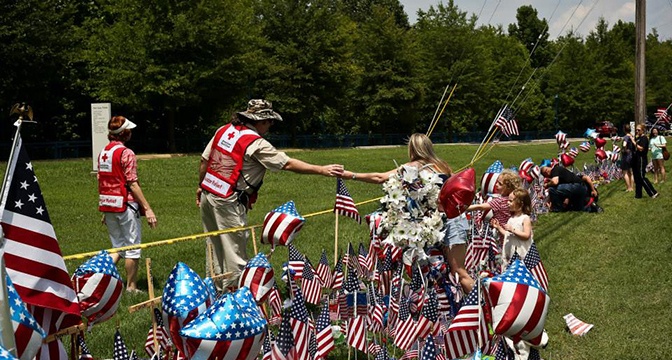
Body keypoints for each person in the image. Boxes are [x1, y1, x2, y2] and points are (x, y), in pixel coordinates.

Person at [197, 99, 343, 290]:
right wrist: (322, 170)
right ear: (261, 121)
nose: (271, 125)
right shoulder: (256, 143)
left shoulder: (223, 130)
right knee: (234, 253)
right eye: (269, 121)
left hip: (209, 193)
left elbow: (204, 160)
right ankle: (235, 300)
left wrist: (201, 186)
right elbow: (287, 164)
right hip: (228, 200)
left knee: (214, 248)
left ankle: (214, 292)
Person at [339, 133, 474, 294]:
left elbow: (379, 177)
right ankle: (465, 307)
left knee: (450, 271)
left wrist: (351, 175)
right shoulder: (443, 167)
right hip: (453, 221)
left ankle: (484, 306)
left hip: (435, 225)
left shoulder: (410, 168)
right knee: (456, 270)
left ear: (412, 149)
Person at [98, 116, 158, 293]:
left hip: (108, 204)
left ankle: (98, 279)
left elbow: (101, 179)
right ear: (125, 133)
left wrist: (105, 208)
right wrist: (147, 208)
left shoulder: (104, 152)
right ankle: (131, 287)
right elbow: (132, 182)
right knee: (132, 247)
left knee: (117, 247)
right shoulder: (126, 153)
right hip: (125, 204)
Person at [491, 188, 533, 269]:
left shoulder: (525, 218)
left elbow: (526, 235)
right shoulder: (511, 219)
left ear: (520, 204)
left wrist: (513, 230)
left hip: (522, 253)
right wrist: (499, 227)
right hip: (511, 253)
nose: (508, 203)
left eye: (511, 201)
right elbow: (508, 235)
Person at [633, 124, 658, 199]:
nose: (637, 131)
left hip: (641, 159)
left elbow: (641, 148)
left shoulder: (644, 138)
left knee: (641, 177)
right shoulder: (638, 138)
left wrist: (634, 142)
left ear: (643, 130)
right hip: (636, 159)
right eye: (636, 130)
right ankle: (638, 195)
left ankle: (653, 192)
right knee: (637, 178)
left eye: (639, 130)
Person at [621, 124, 635, 192]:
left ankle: (628, 187)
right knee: (631, 172)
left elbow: (624, 144)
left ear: (624, 130)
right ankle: (632, 187)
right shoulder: (632, 136)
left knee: (625, 172)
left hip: (626, 156)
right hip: (632, 155)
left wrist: (624, 149)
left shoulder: (626, 137)